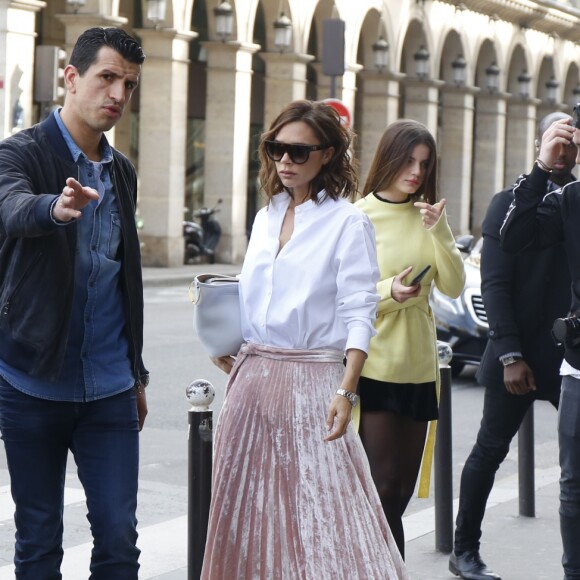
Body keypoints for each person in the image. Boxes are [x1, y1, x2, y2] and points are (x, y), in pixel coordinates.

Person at [202, 100, 408, 579]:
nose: (285, 161)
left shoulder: (347, 222)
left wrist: (347, 388)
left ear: (329, 154)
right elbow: (253, 291)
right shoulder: (265, 217)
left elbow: (360, 310)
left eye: (298, 151)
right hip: (251, 383)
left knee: (327, 522)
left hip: (314, 384)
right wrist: (226, 339)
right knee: (246, 514)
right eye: (276, 149)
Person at [0, 28, 147, 579]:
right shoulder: (19, 153)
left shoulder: (121, 171)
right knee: (38, 541)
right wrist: (54, 210)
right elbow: (10, 207)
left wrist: (136, 373)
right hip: (30, 382)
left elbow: (123, 282)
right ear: (71, 77)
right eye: (106, 77)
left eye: (128, 85)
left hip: (109, 390)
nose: (117, 94)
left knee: (118, 537)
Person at [449, 112, 576, 580]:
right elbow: (495, 285)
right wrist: (509, 354)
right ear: (539, 143)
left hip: (571, 357)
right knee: (488, 450)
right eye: (554, 139)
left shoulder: (576, 201)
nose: (563, 150)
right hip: (518, 354)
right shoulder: (509, 202)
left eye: (571, 140)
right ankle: (464, 550)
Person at [355, 119, 466, 559]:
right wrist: (389, 293)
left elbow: (454, 286)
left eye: (424, 163)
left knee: (399, 491)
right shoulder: (359, 215)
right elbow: (342, 297)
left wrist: (439, 230)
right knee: (380, 490)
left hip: (419, 369)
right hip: (375, 364)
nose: (416, 171)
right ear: (388, 158)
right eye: (408, 160)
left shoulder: (429, 216)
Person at [501, 114, 580, 580]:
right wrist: (540, 169)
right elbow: (515, 237)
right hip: (579, 368)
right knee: (572, 488)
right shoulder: (570, 198)